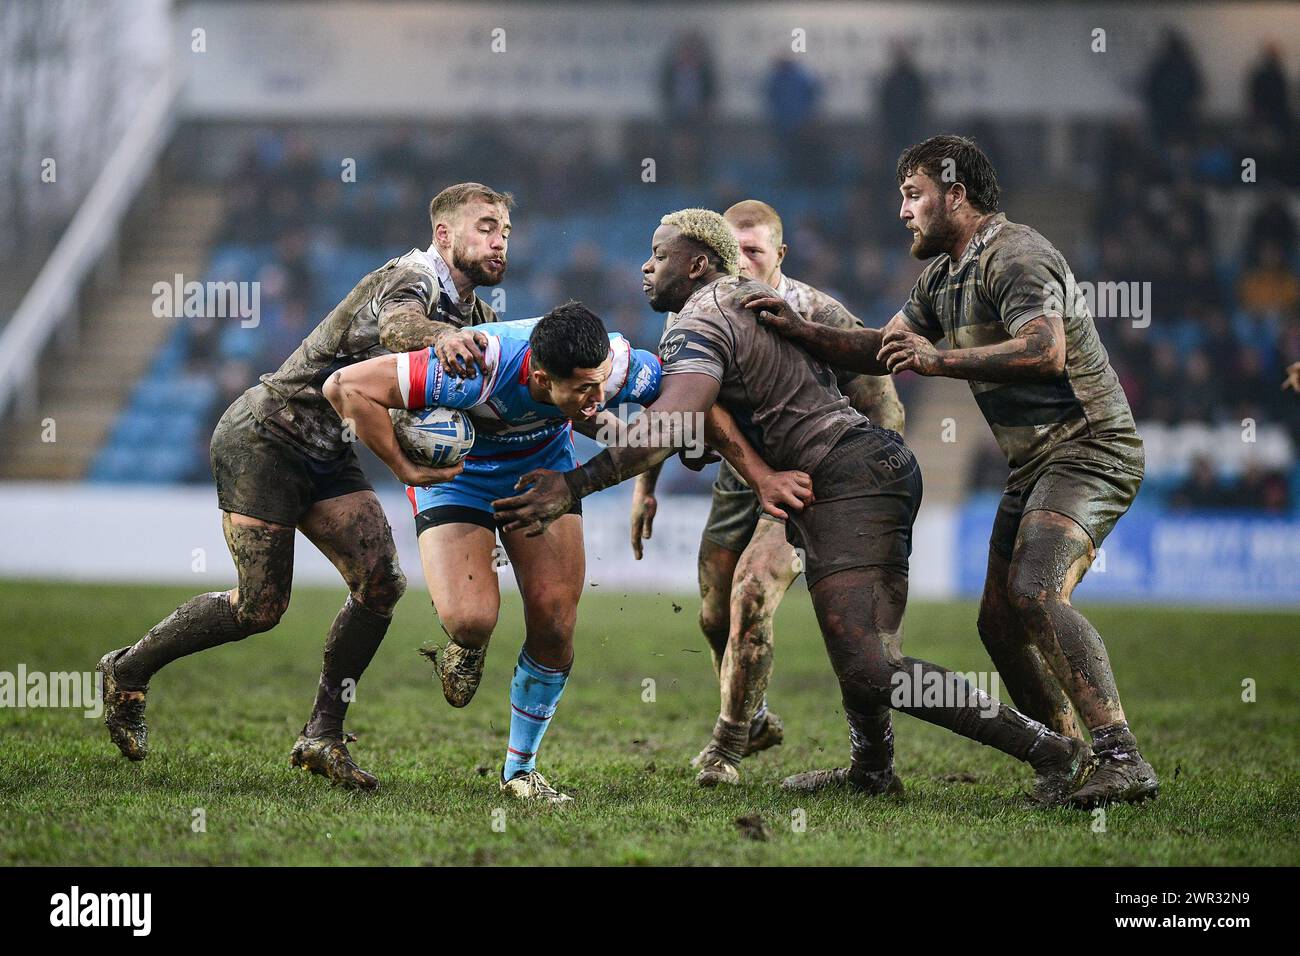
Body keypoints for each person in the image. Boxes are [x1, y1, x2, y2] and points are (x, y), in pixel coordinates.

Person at [492, 208, 1094, 806]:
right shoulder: (737, 303)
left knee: (869, 663)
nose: (646, 267)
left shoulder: (699, 319)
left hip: (846, 475)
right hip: (859, 470)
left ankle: (1050, 751)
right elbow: (705, 423)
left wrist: (572, 486)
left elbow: (674, 421)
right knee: (854, 645)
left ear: (697, 263)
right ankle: (873, 771)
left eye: (659, 254)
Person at [759, 136, 1158, 808]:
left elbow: (1046, 349)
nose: (903, 211)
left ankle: (1123, 757)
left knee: (1035, 591)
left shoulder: (1017, 254)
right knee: (999, 625)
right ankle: (1068, 759)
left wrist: (935, 362)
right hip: (1035, 462)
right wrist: (796, 329)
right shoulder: (944, 279)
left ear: (955, 193)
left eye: (912, 195)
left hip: (1090, 446)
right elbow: (879, 349)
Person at [95, 183, 511, 790]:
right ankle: (127, 669)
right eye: (484, 226)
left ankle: (323, 734)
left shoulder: (474, 316)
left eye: (503, 230)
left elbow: (494, 388)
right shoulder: (414, 277)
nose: (497, 239)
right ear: (445, 235)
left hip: (328, 449)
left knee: (380, 584)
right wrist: (439, 339)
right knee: (261, 607)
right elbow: (399, 326)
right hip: (267, 435)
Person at [629, 199, 905, 787]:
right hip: (740, 474)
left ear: (779, 255)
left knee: (753, 590)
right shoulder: (695, 312)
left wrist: (866, 481)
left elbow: (879, 392)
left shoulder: (814, 310)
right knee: (713, 612)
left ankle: (726, 748)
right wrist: (645, 486)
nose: (742, 260)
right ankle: (751, 718)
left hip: (809, 476)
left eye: (754, 250)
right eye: (733, 249)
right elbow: (674, 407)